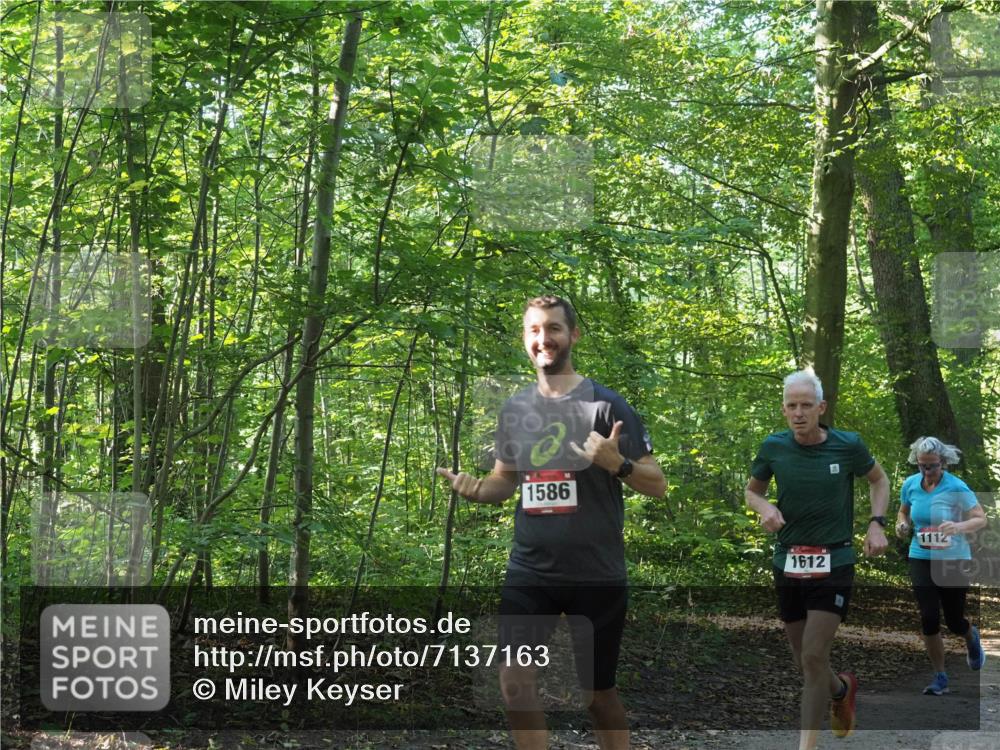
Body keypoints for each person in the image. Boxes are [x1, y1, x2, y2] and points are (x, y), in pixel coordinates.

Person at [437, 295, 665, 750]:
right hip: (531, 569)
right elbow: (505, 481)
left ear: (573, 335)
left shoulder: (606, 405)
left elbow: (657, 483)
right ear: (525, 339)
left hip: (595, 572)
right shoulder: (515, 410)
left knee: (596, 695)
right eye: (535, 330)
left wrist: (617, 464)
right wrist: (477, 489)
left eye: (554, 328)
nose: (544, 338)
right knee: (514, 682)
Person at [744, 369, 889, 750]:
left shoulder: (847, 445)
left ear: (821, 408)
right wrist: (764, 507)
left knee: (812, 655)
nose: (798, 413)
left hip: (834, 561)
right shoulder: (773, 447)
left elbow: (879, 479)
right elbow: (752, 491)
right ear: (783, 409)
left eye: (806, 405)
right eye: (791, 406)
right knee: (804, 660)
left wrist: (876, 524)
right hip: (787, 562)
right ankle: (841, 689)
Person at [895, 436, 988, 695]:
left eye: (932, 466)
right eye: (922, 465)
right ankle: (940, 677)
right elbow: (903, 511)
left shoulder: (956, 486)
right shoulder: (910, 484)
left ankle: (970, 636)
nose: (927, 471)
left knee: (954, 621)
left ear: (943, 462)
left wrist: (958, 526)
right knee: (929, 617)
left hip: (953, 559)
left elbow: (980, 518)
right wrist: (901, 524)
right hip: (921, 556)